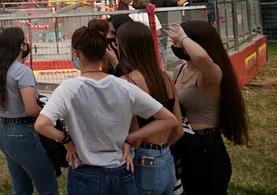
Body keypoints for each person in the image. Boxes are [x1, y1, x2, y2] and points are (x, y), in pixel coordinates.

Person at [34, 25, 178, 195]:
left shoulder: (69, 88)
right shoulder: (125, 86)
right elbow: (170, 119)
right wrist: (131, 138)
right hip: (122, 170)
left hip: (85, 172)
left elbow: (41, 125)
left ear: (76, 53)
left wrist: (66, 140)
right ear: (105, 53)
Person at [168, 21, 248, 194]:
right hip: (183, 145)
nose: (174, 46)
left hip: (205, 147)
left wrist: (183, 37)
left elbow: (203, 58)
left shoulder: (211, 74)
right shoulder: (180, 68)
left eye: (178, 43)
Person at [0, 27, 58, 195]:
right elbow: (32, 108)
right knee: (47, 187)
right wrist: (51, 111)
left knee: (21, 188)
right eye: (25, 41)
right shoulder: (22, 71)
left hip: (4, 130)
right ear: (20, 45)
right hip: (22, 132)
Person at [117, 22, 184, 195]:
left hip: (140, 161)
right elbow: (178, 130)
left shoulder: (127, 82)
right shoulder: (165, 78)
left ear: (124, 47)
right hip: (166, 159)